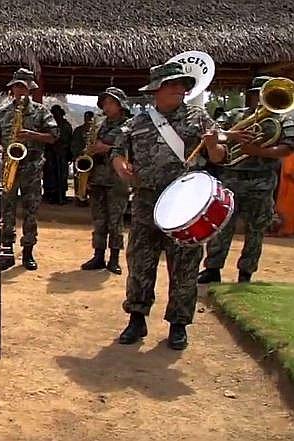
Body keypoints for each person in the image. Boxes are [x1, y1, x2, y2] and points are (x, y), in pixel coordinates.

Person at [111, 61, 234, 350]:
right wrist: (119, 164)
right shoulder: (138, 122)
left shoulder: (199, 118)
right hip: (145, 203)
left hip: (185, 205)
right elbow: (117, 149)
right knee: (141, 263)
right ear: (157, 90)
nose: (180, 90)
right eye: (174, 85)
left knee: (185, 267)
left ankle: (178, 324)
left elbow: (218, 157)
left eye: (183, 85)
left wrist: (214, 145)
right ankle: (137, 319)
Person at [198, 76, 294, 284]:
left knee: (256, 230)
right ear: (250, 95)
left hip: (261, 182)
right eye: (256, 94)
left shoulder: (283, 120)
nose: (260, 99)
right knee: (222, 226)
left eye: (263, 95)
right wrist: (232, 135)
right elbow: (215, 134)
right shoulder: (235, 115)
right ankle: (212, 268)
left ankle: (246, 273)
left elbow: (287, 148)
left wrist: (257, 150)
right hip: (231, 179)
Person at [0, 68, 59, 271]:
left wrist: (32, 135)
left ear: (30, 89)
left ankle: (28, 252)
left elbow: (54, 135)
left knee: (31, 211)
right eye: (16, 87)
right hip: (9, 167)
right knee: (6, 211)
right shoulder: (2, 112)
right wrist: (1, 147)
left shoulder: (41, 111)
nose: (19, 91)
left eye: (23, 87)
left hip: (32, 167)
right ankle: (7, 252)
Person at [76, 88, 130, 275]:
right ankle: (98, 256)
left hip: (117, 179)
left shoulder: (130, 125)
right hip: (98, 177)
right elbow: (90, 147)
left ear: (120, 105)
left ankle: (114, 259)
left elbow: (132, 150)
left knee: (115, 221)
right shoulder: (99, 125)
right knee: (99, 220)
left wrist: (105, 148)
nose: (106, 107)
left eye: (111, 103)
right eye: (104, 103)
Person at [44, 105, 72, 205]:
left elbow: (69, 140)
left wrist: (66, 152)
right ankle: (50, 195)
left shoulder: (66, 125)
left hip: (62, 154)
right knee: (50, 175)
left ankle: (61, 196)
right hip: (50, 154)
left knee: (62, 176)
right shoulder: (49, 125)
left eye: (58, 113)